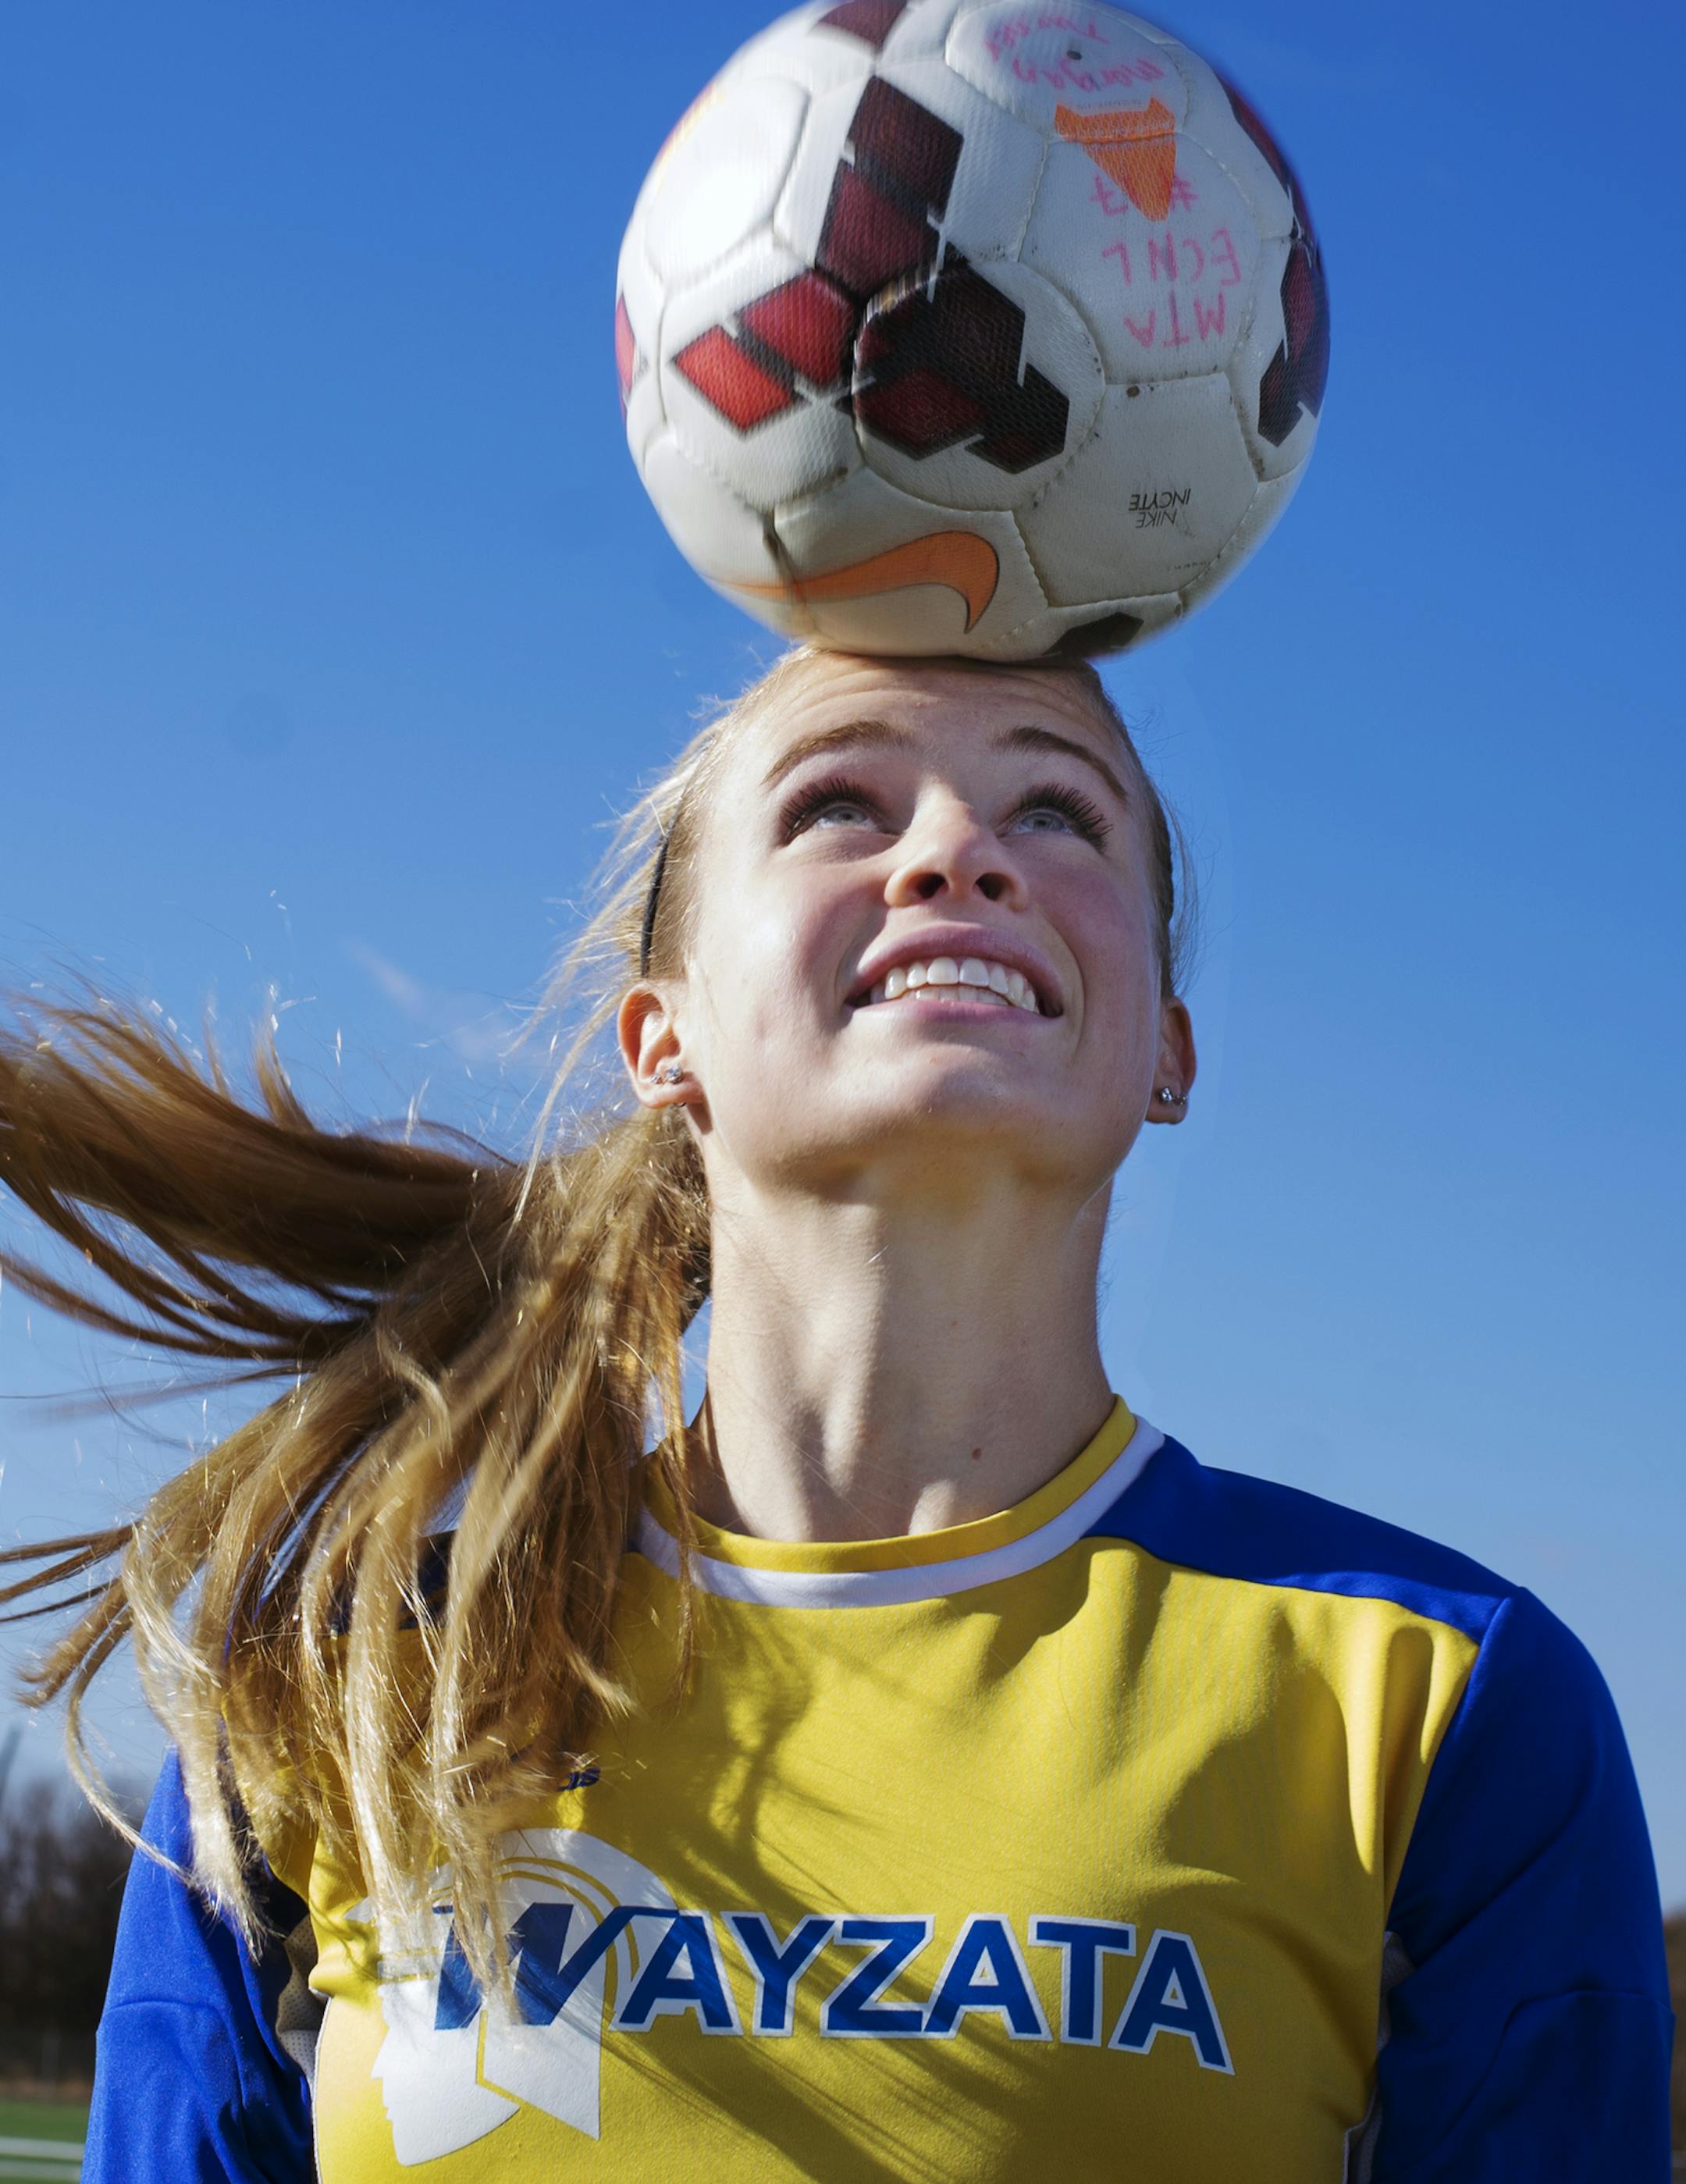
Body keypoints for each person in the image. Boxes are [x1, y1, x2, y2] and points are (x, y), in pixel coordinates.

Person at [0, 646, 1673, 2181]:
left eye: (1057, 808)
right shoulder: (354, 1683)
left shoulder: (1445, 1705)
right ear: (666, 1037)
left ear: (1166, 1047)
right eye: (837, 804)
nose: (956, 850)